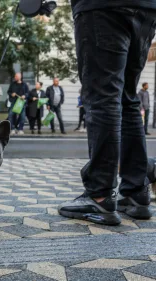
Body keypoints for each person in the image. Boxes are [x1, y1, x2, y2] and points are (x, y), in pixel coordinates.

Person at [58, 2, 156, 225]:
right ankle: (136, 191)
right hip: (147, 8)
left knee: (103, 96)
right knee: (127, 97)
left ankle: (99, 194)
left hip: (103, 6)